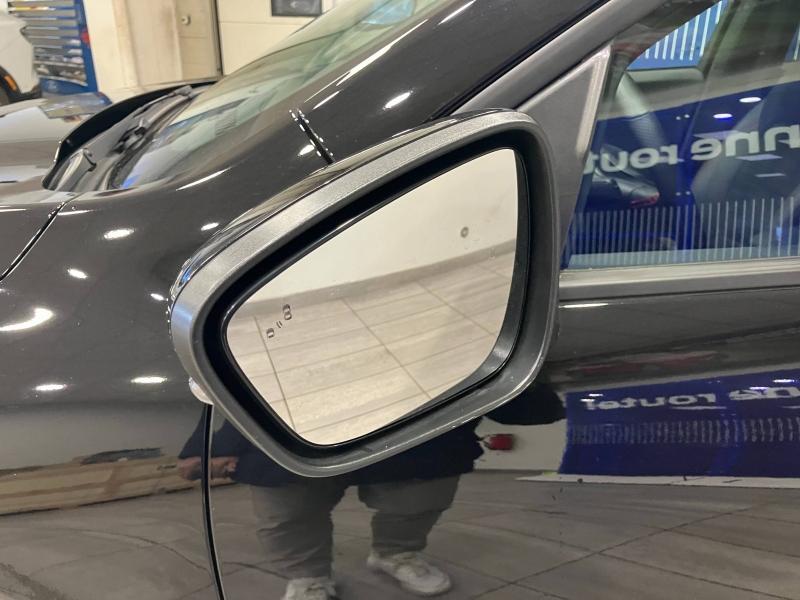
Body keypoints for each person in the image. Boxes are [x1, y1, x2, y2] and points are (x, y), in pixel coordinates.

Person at [178, 384, 563, 600]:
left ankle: (396, 553)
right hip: (291, 427)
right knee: (287, 513)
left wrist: (524, 383)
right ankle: (308, 577)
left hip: (414, 427)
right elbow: (224, 372)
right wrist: (209, 443)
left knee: (420, 499)